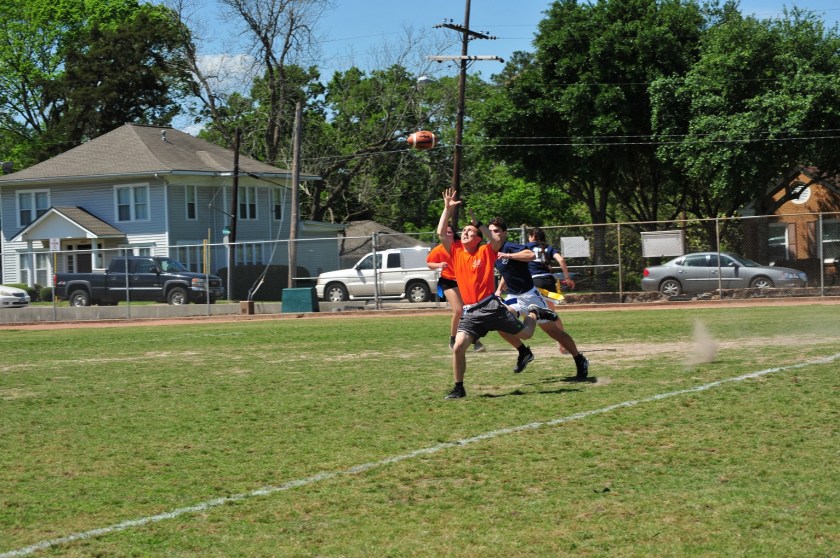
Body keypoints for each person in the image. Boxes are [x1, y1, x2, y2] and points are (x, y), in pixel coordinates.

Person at [436, 188, 558, 399]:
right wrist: (447, 208)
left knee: (526, 334)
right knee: (458, 347)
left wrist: (478, 224)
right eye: (464, 231)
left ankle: (535, 313)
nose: (465, 233)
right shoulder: (455, 252)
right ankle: (459, 388)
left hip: (491, 307)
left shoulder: (485, 251)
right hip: (471, 312)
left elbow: (493, 239)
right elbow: (440, 233)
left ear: (477, 239)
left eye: (470, 232)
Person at [491, 218, 589, 381]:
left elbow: (529, 254)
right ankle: (524, 352)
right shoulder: (492, 252)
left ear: (505, 233)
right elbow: (506, 272)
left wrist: (508, 254)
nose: (494, 234)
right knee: (500, 321)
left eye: (497, 230)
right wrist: (499, 290)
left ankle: (579, 359)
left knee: (554, 332)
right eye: (491, 231)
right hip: (514, 296)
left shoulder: (510, 247)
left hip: (530, 295)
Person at [426, 222, 486, 353]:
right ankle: (453, 339)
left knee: (470, 310)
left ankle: (474, 339)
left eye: (449, 232)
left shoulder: (460, 245)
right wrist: (439, 265)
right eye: (445, 232)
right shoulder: (440, 249)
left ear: (453, 234)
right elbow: (429, 263)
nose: (447, 234)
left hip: (463, 281)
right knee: (459, 311)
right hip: (448, 281)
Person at [527, 226, 573, 353]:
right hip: (548, 281)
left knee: (527, 310)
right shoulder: (548, 248)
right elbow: (561, 260)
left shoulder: (527, 247)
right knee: (551, 313)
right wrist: (567, 278)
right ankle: (563, 343)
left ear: (532, 237)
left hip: (534, 282)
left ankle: (519, 337)